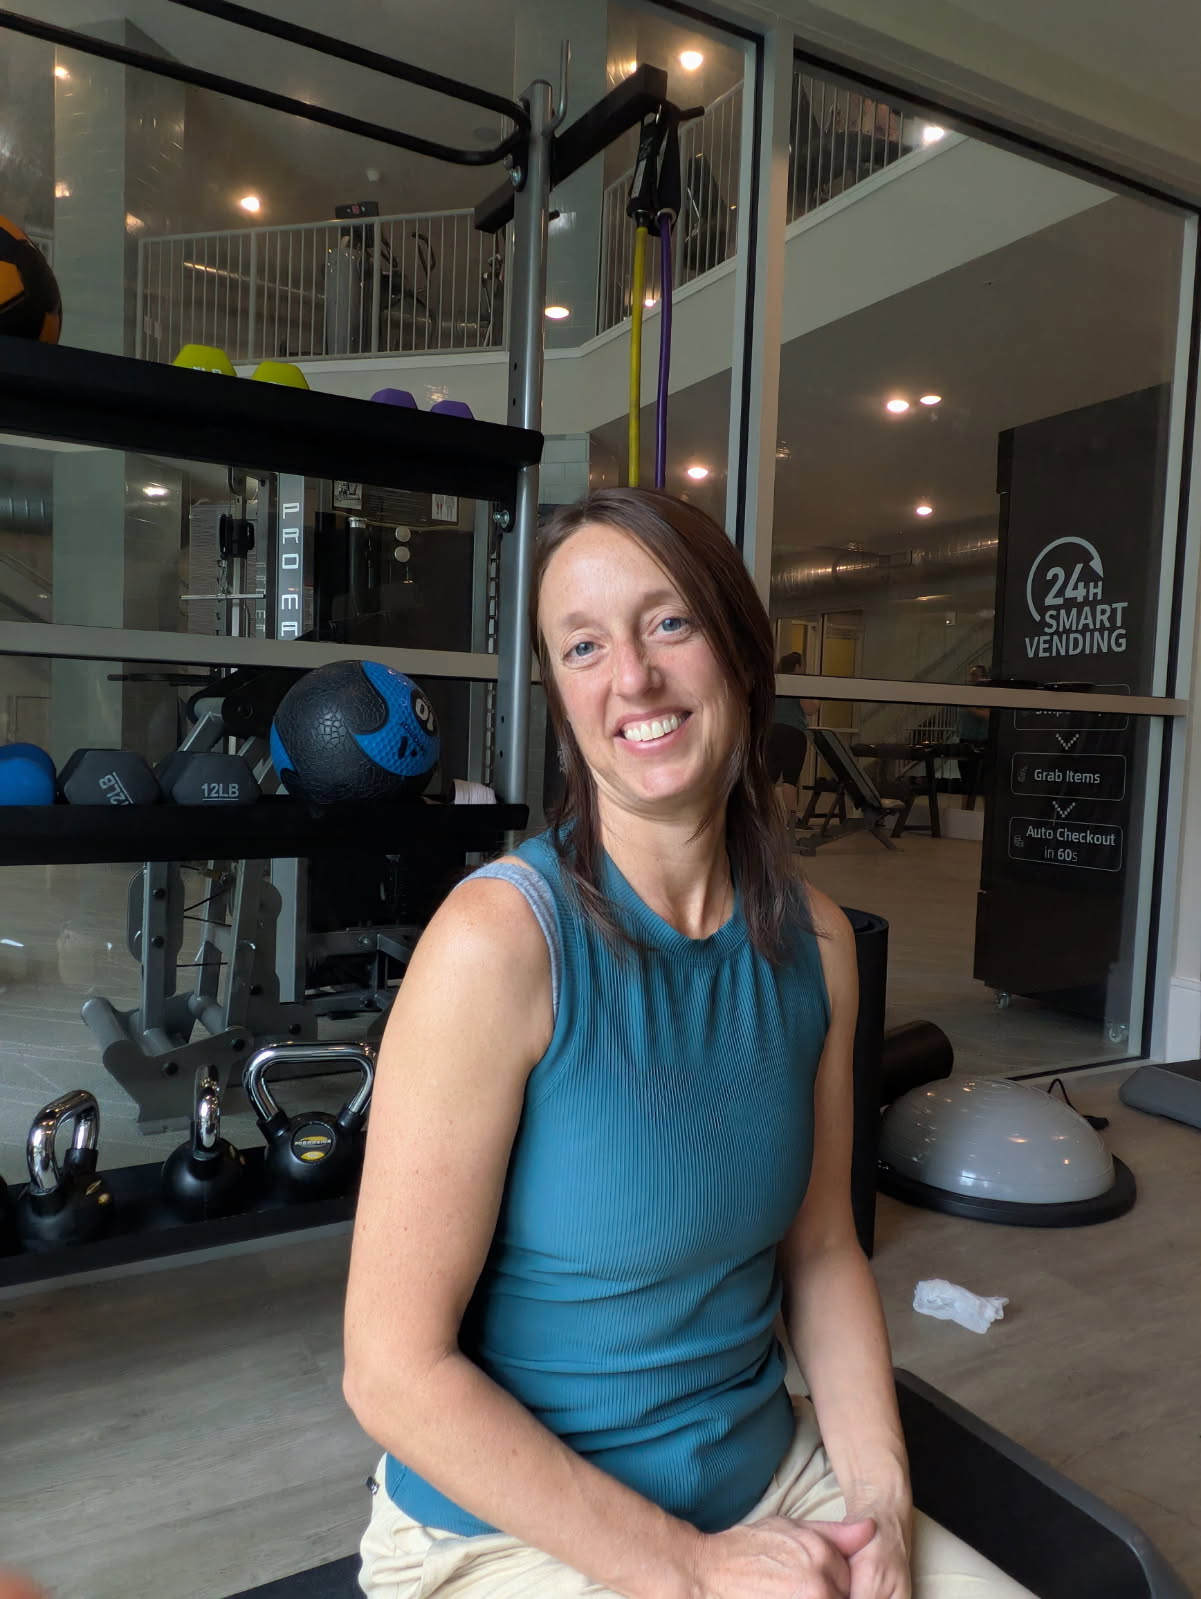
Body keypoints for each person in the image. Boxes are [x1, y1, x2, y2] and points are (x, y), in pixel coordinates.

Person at [344, 487, 1035, 1599]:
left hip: (767, 1483)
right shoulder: (497, 944)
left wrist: (877, 1503)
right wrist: (695, 1571)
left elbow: (822, 1254)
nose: (632, 677)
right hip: (505, 1536)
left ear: (742, 655)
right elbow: (391, 1374)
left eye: (668, 622)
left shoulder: (819, 945)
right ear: (562, 701)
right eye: (583, 646)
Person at [768, 651, 821, 826]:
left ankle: (766, 818)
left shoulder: (774, 682)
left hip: (771, 732)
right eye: (803, 665)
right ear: (797, 666)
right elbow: (810, 709)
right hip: (792, 734)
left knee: (769, 778)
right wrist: (816, 698)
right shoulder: (797, 682)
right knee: (790, 779)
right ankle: (792, 818)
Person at [956, 665, 992, 807]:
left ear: (983, 677)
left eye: (975, 675)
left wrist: (970, 707)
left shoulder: (985, 695)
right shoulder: (968, 694)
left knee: (980, 783)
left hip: (979, 743)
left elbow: (987, 715)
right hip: (964, 741)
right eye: (970, 675)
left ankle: (988, 815)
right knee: (966, 781)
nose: (971, 678)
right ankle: (965, 812)